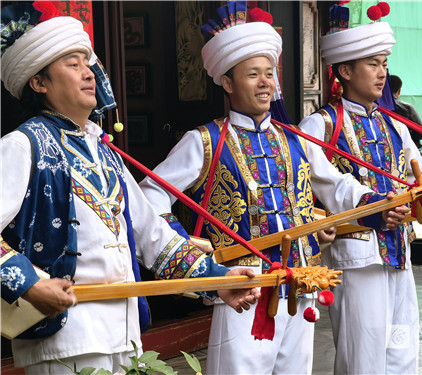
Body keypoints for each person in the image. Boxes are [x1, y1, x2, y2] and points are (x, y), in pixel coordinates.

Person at [139, 6, 409, 375]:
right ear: (228, 83)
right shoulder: (203, 141)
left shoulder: (293, 137)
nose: (266, 82)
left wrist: (372, 204)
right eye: (253, 74)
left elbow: (335, 183)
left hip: (300, 286)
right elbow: (149, 195)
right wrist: (182, 240)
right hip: (244, 291)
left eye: (270, 73)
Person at [0, 5, 260, 374]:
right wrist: (28, 284)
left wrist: (218, 280)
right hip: (65, 338)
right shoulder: (22, 145)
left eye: (87, 63)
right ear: (39, 82)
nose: (88, 73)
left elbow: (156, 239)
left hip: (125, 334)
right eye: (72, 64)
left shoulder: (105, 153)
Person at [299, 16, 422, 375]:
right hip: (357, 257)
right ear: (344, 70)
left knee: (402, 355)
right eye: (372, 64)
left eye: (384, 64)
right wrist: (371, 205)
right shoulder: (320, 126)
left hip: (399, 253)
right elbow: (329, 183)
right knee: (364, 359)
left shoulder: (393, 125)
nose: (382, 73)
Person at [390, 74, 422, 149]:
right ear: (399, 91)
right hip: (407, 151)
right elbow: (421, 134)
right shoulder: (407, 108)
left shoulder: (375, 108)